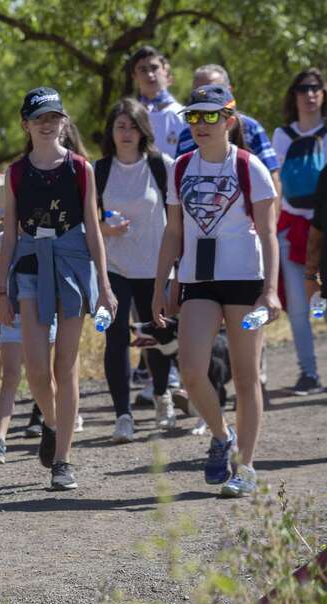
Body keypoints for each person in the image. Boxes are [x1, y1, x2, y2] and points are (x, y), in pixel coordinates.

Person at [152, 84, 280, 498]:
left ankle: (246, 466)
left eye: (210, 116)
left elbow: (269, 233)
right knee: (190, 368)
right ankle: (221, 436)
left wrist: (271, 291)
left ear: (229, 120)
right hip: (197, 281)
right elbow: (173, 231)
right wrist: (162, 285)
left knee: (246, 377)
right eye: (193, 116)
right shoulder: (179, 167)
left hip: (245, 280)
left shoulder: (250, 166)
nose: (201, 124)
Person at [0, 87, 116, 491]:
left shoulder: (81, 168)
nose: (47, 124)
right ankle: (50, 421)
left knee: (65, 366)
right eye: (39, 117)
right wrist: (0, 289)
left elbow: (94, 228)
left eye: (54, 117)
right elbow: (8, 235)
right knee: (36, 367)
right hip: (30, 266)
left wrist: (104, 284)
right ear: (25, 124)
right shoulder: (14, 174)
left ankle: (62, 459)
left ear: (63, 121)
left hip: (71, 266)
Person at [95, 98, 177, 442]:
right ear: (111, 132)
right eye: (120, 126)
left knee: (156, 336)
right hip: (113, 267)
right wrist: (104, 228)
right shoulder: (98, 170)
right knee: (115, 338)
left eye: (132, 126)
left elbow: (177, 218)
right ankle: (123, 416)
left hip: (154, 265)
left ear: (144, 130)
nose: (126, 133)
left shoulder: (162, 166)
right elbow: (88, 222)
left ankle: (161, 395)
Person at [272, 68, 327, 395]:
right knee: (297, 306)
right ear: (294, 95)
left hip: (326, 226)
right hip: (291, 228)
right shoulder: (280, 135)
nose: (309, 94)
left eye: (315, 88)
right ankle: (309, 373)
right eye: (303, 88)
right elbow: (276, 183)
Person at [129, 46, 188, 159]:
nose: (150, 75)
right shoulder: (129, 116)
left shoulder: (184, 115)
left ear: (165, 71)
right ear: (134, 77)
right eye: (143, 70)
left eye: (154, 68)